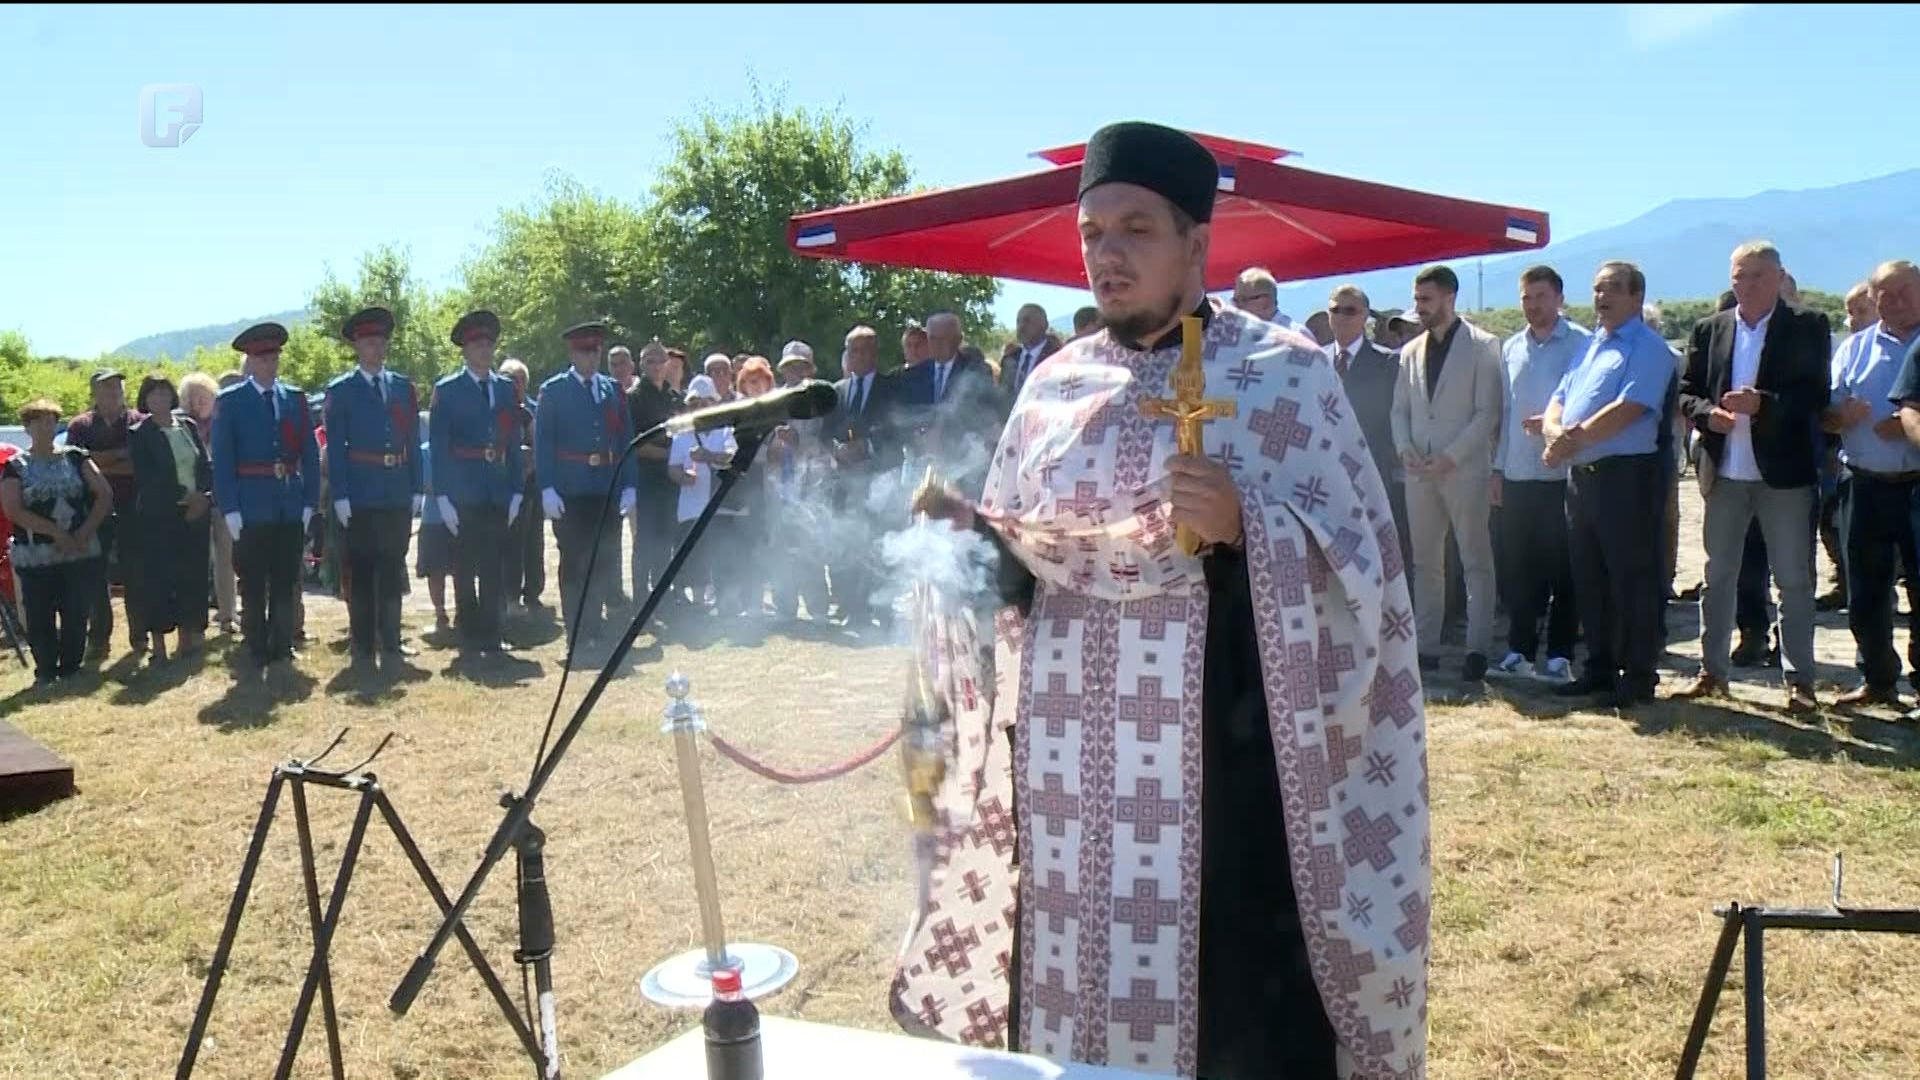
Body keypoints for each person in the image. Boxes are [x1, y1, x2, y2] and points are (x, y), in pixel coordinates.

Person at [899, 121, 1427, 1080]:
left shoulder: (1288, 378)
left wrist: (1249, 526)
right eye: (1092, 230)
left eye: (1135, 228)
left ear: (1199, 242)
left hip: (1230, 778)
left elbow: (1368, 581)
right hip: (1067, 796)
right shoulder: (1051, 388)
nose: (1105, 252)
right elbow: (1024, 573)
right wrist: (970, 542)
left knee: (1237, 1023)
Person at [1675, 242, 1832, 714]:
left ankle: (1800, 681)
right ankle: (1712, 673)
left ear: (1781, 277)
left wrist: (1765, 404)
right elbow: (1687, 392)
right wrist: (1708, 415)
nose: (1746, 285)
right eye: (1739, 276)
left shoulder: (1807, 325)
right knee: (1716, 576)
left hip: (1783, 475)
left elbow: (1814, 395)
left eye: (1758, 276)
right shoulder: (1711, 327)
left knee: (1794, 580)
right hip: (1725, 472)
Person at [1537, 263, 1671, 707]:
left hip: (1625, 478)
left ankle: (1636, 676)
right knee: (1588, 577)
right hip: (1582, 478)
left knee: (1631, 578)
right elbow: (1560, 396)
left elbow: (1629, 407)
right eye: (1596, 289)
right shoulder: (1592, 346)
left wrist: (1568, 441)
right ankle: (1597, 667)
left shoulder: (1649, 348)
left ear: (1636, 296)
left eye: (1612, 289)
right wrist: (1555, 432)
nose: (1601, 298)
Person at [1390, 264, 1505, 680]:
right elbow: (1399, 409)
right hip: (1419, 473)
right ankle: (1426, 645)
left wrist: (1452, 456)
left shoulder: (1483, 346)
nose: (1419, 307)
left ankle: (1477, 647)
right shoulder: (1410, 351)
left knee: (1476, 559)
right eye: (1417, 299)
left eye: (1426, 299)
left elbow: (1487, 413)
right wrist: (1404, 448)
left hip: (1465, 471)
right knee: (1425, 562)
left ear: (1449, 298)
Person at [1491, 266, 1588, 682]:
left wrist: (1554, 422)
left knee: (1564, 567)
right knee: (1518, 568)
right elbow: (1504, 413)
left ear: (1560, 299)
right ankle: (1519, 650)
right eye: (1527, 298)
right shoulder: (1511, 348)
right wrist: (1497, 468)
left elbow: (1589, 403)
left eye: (1541, 297)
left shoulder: (1582, 344)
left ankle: (1561, 654)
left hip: (1562, 474)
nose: (1533, 306)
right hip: (1517, 473)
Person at [213, 322, 321, 671]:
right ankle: (256, 643)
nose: (269, 363)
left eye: (273, 356)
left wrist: (308, 502)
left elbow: (309, 453)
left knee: (287, 578)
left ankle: (282, 643)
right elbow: (224, 458)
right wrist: (229, 507)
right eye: (262, 357)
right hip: (251, 504)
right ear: (249, 361)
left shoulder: (295, 398)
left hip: (288, 502)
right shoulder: (230, 402)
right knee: (254, 580)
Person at [1836, 260, 1920, 707]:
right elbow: (1827, 413)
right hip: (1866, 482)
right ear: (1874, 299)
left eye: (1906, 290)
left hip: (1917, 483)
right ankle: (1877, 678)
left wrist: (1908, 421)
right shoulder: (1854, 349)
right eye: (1887, 294)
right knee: (1866, 589)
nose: (1898, 300)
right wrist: (1840, 416)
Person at [325, 306, 424, 669]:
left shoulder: (401, 387)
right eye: (369, 342)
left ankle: (393, 642)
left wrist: (416, 486)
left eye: (381, 341)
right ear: (357, 347)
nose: (377, 348)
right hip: (362, 493)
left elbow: (412, 440)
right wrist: (341, 496)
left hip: (396, 489)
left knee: (392, 567)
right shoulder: (342, 390)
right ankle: (364, 646)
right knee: (364, 573)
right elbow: (336, 448)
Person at [535, 320, 638, 662]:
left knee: (603, 562)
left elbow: (626, 441)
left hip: (605, 487)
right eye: (584, 351)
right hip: (571, 489)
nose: (591, 358)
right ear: (572, 353)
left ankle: (596, 631)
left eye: (595, 351)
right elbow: (544, 443)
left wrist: (630, 484)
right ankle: (576, 635)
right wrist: (547, 487)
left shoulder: (612, 390)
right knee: (575, 564)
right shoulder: (554, 390)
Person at [1, 398, 113, 687]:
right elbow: (13, 509)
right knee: (39, 613)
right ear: (27, 427)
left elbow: (104, 494)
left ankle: (72, 666)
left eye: (50, 420)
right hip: (36, 552)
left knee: (76, 609)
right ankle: (47, 670)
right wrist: (54, 532)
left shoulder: (76, 457)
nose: (45, 427)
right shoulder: (16, 466)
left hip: (78, 548)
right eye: (37, 421)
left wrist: (85, 531)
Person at [433, 309, 525, 658]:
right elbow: (440, 448)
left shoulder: (505, 389)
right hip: (463, 491)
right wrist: (442, 496)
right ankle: (469, 632)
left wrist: (516, 489)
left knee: (493, 566)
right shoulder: (448, 390)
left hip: (496, 489)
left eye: (488, 344)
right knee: (464, 566)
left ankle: (493, 631)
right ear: (465, 350)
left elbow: (512, 443)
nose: (484, 351)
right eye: (477, 344)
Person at [126, 374, 213, 662]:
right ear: (145, 399)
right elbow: (148, 478)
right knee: (160, 579)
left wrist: (203, 496)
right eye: (153, 394)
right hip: (160, 516)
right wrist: (185, 497)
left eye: (164, 392)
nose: (160, 398)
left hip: (196, 513)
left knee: (193, 576)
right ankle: (159, 643)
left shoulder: (187, 425)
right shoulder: (140, 433)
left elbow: (204, 465)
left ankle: (188, 639)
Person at [1325, 283, 1410, 573]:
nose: (1342, 317)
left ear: (1364, 317)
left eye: (1351, 311)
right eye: (1336, 310)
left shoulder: (1388, 362)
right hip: (1325, 476)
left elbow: (1395, 418)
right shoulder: (1314, 361)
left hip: (1375, 474)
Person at [63, 369, 142, 660]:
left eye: (118, 386)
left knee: (136, 572)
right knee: (95, 575)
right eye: (108, 386)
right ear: (94, 391)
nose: (115, 391)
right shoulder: (80, 426)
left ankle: (140, 634)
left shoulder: (138, 422)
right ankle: (99, 639)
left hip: (133, 508)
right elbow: (76, 467)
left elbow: (139, 464)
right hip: (94, 511)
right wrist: (118, 457)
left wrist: (98, 462)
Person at [828, 325, 900, 629]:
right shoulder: (838, 390)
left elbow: (899, 429)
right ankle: (853, 608)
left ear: (874, 353)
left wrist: (867, 446)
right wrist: (837, 450)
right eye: (851, 350)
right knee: (846, 542)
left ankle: (881, 610)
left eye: (862, 349)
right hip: (844, 480)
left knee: (877, 545)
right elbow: (825, 431)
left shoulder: (891, 387)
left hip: (878, 479)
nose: (856, 356)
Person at [665, 374, 738, 614]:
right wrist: (685, 477)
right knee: (695, 554)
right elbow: (673, 467)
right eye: (694, 404)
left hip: (720, 504)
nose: (699, 408)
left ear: (714, 404)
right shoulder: (682, 433)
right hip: (691, 505)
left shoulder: (726, 429)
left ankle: (724, 602)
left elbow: (731, 456)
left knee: (721, 552)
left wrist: (707, 456)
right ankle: (698, 604)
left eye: (704, 403)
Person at [181, 372, 237, 634]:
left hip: (223, 498)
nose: (198, 402)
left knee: (226, 559)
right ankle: (196, 618)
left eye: (203, 396)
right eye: (192, 398)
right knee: (196, 561)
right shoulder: (182, 427)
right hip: (195, 500)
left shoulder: (223, 422)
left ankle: (228, 615)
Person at [626, 342, 680, 606]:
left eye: (660, 360)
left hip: (671, 480)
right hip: (646, 479)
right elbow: (635, 445)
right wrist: (670, 456)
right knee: (645, 541)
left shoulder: (673, 396)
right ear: (641, 365)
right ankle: (639, 600)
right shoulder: (634, 397)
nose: (656, 366)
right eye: (650, 361)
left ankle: (661, 598)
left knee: (666, 539)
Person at [499, 358, 547, 614]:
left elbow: (538, 445)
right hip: (501, 487)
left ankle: (533, 592)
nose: (514, 384)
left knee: (533, 541)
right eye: (509, 379)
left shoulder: (530, 410)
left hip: (530, 485)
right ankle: (509, 596)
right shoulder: (494, 406)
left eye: (519, 380)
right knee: (510, 544)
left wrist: (528, 460)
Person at [1000, 303, 1063, 404]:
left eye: (1027, 321)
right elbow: (1003, 395)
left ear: (1044, 325)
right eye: (1018, 322)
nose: (1021, 327)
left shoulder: (1058, 358)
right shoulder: (1010, 359)